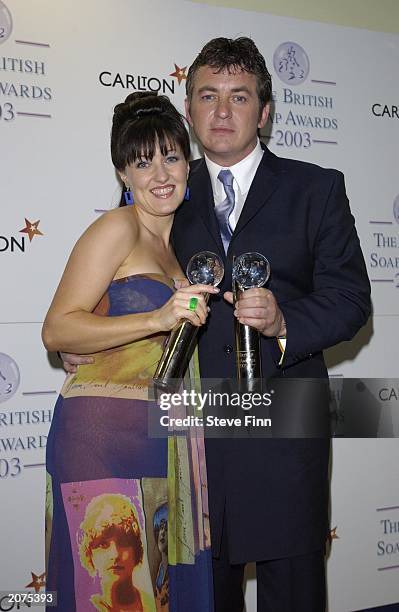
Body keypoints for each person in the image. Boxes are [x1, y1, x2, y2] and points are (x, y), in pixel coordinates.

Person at [62, 37, 371, 611]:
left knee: (294, 595)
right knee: (204, 596)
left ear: (266, 111)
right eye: (208, 96)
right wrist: (88, 347)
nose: (222, 111)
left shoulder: (316, 187)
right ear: (190, 110)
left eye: (239, 96)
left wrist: (284, 319)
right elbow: (118, 285)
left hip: (285, 427)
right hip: (190, 435)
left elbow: (352, 298)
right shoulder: (166, 190)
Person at [43, 92, 217, 611]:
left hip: (161, 440)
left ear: (189, 164)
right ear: (123, 173)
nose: (160, 173)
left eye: (171, 156)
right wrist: (157, 318)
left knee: (156, 593)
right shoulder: (117, 228)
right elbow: (57, 330)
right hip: (102, 440)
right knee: (115, 593)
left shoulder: (179, 246)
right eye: (143, 162)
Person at [78, 493, 146, 611]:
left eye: (124, 542)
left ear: (136, 549)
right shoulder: (85, 607)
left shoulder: (152, 602)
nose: (115, 554)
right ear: (90, 554)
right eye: (103, 545)